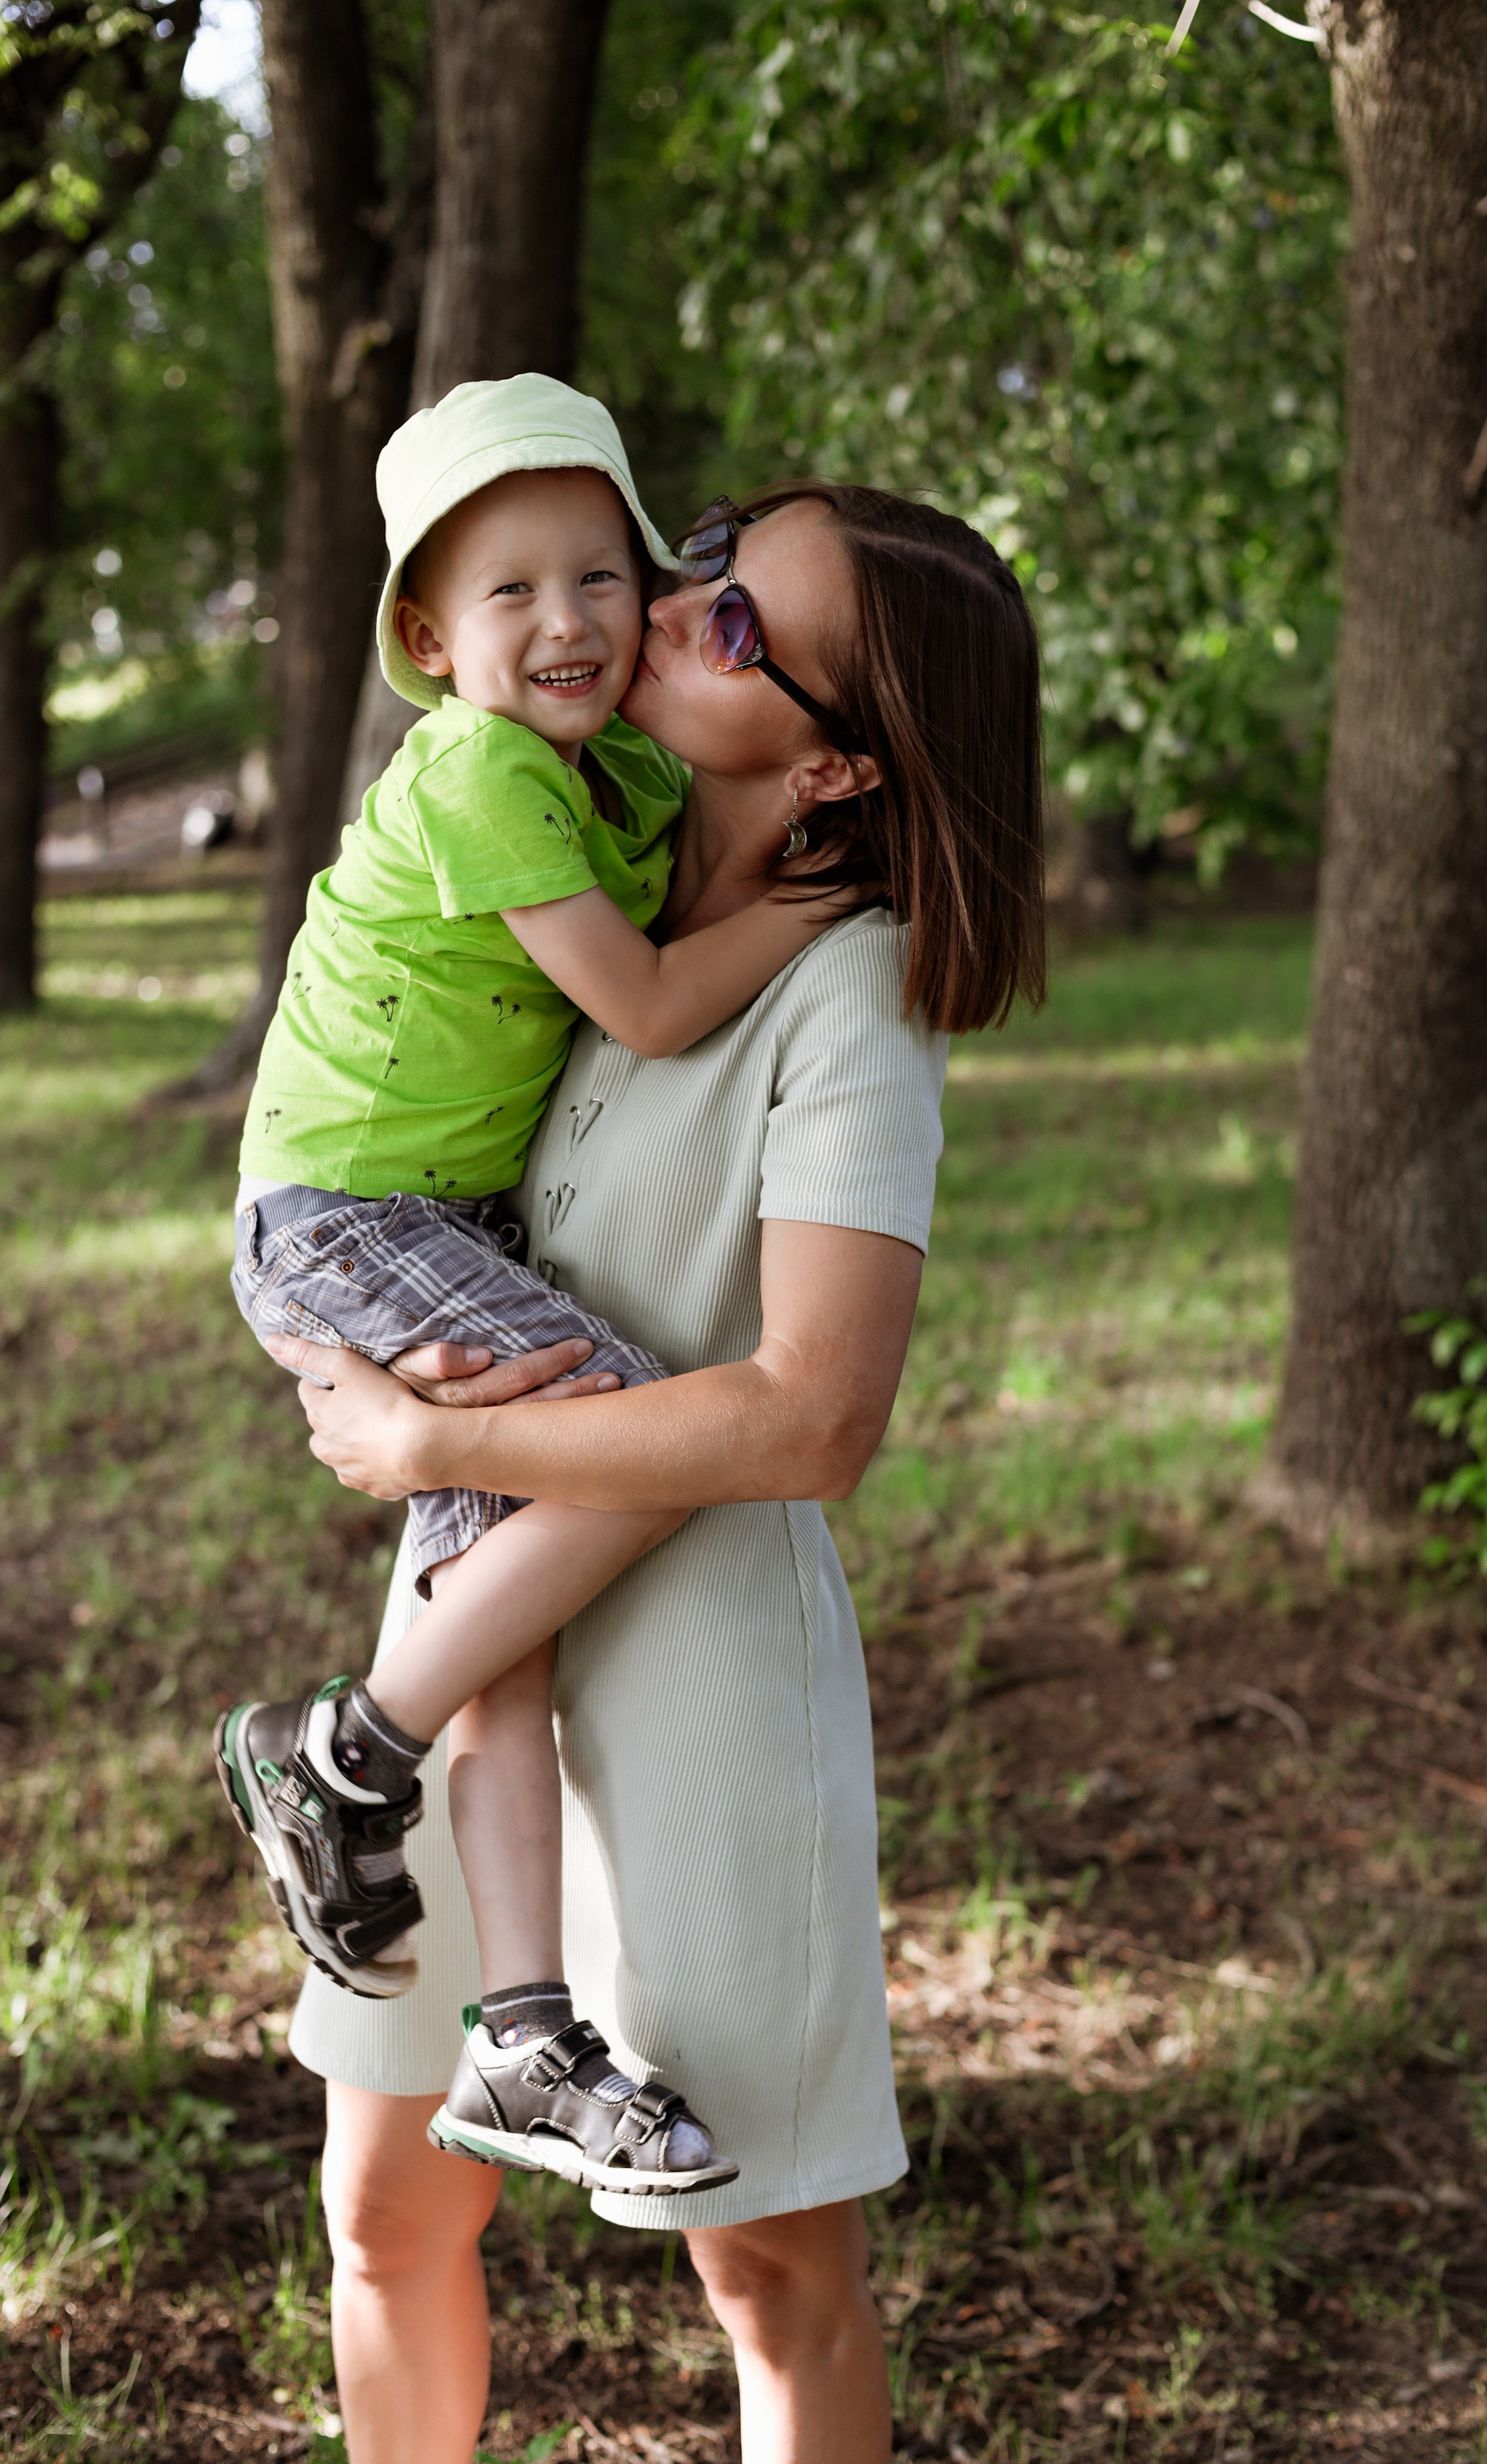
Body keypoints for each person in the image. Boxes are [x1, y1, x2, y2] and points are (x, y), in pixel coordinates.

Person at [264, 481, 1046, 2464]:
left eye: (735, 623)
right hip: (478, 1618)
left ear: (841, 760)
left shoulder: (844, 989)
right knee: (385, 2204)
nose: (667, 607)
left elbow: (815, 1415)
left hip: (697, 1674)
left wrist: (440, 1430)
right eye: (699, 560)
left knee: (768, 2275)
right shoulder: (562, 890)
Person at [221, 375, 846, 2193]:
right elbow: (650, 1000)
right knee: (617, 1434)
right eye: (509, 593)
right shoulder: (483, 769)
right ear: (425, 634)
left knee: (510, 1609)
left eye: (600, 576)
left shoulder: (620, 767)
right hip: (344, 1206)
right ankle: (340, 1750)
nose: (566, 622)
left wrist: (791, 791)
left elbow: (689, 858)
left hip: (443, 1219)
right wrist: (810, 904)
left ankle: (520, 2031)